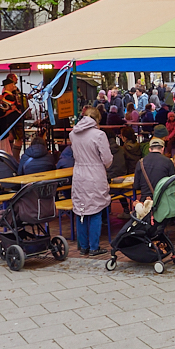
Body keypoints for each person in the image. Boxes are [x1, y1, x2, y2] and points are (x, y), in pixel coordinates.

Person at [69, 108, 113, 257]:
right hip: (95, 173)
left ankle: (83, 246)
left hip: (79, 173)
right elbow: (107, 159)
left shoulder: (73, 134)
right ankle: (94, 246)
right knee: (95, 210)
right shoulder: (99, 135)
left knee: (80, 210)